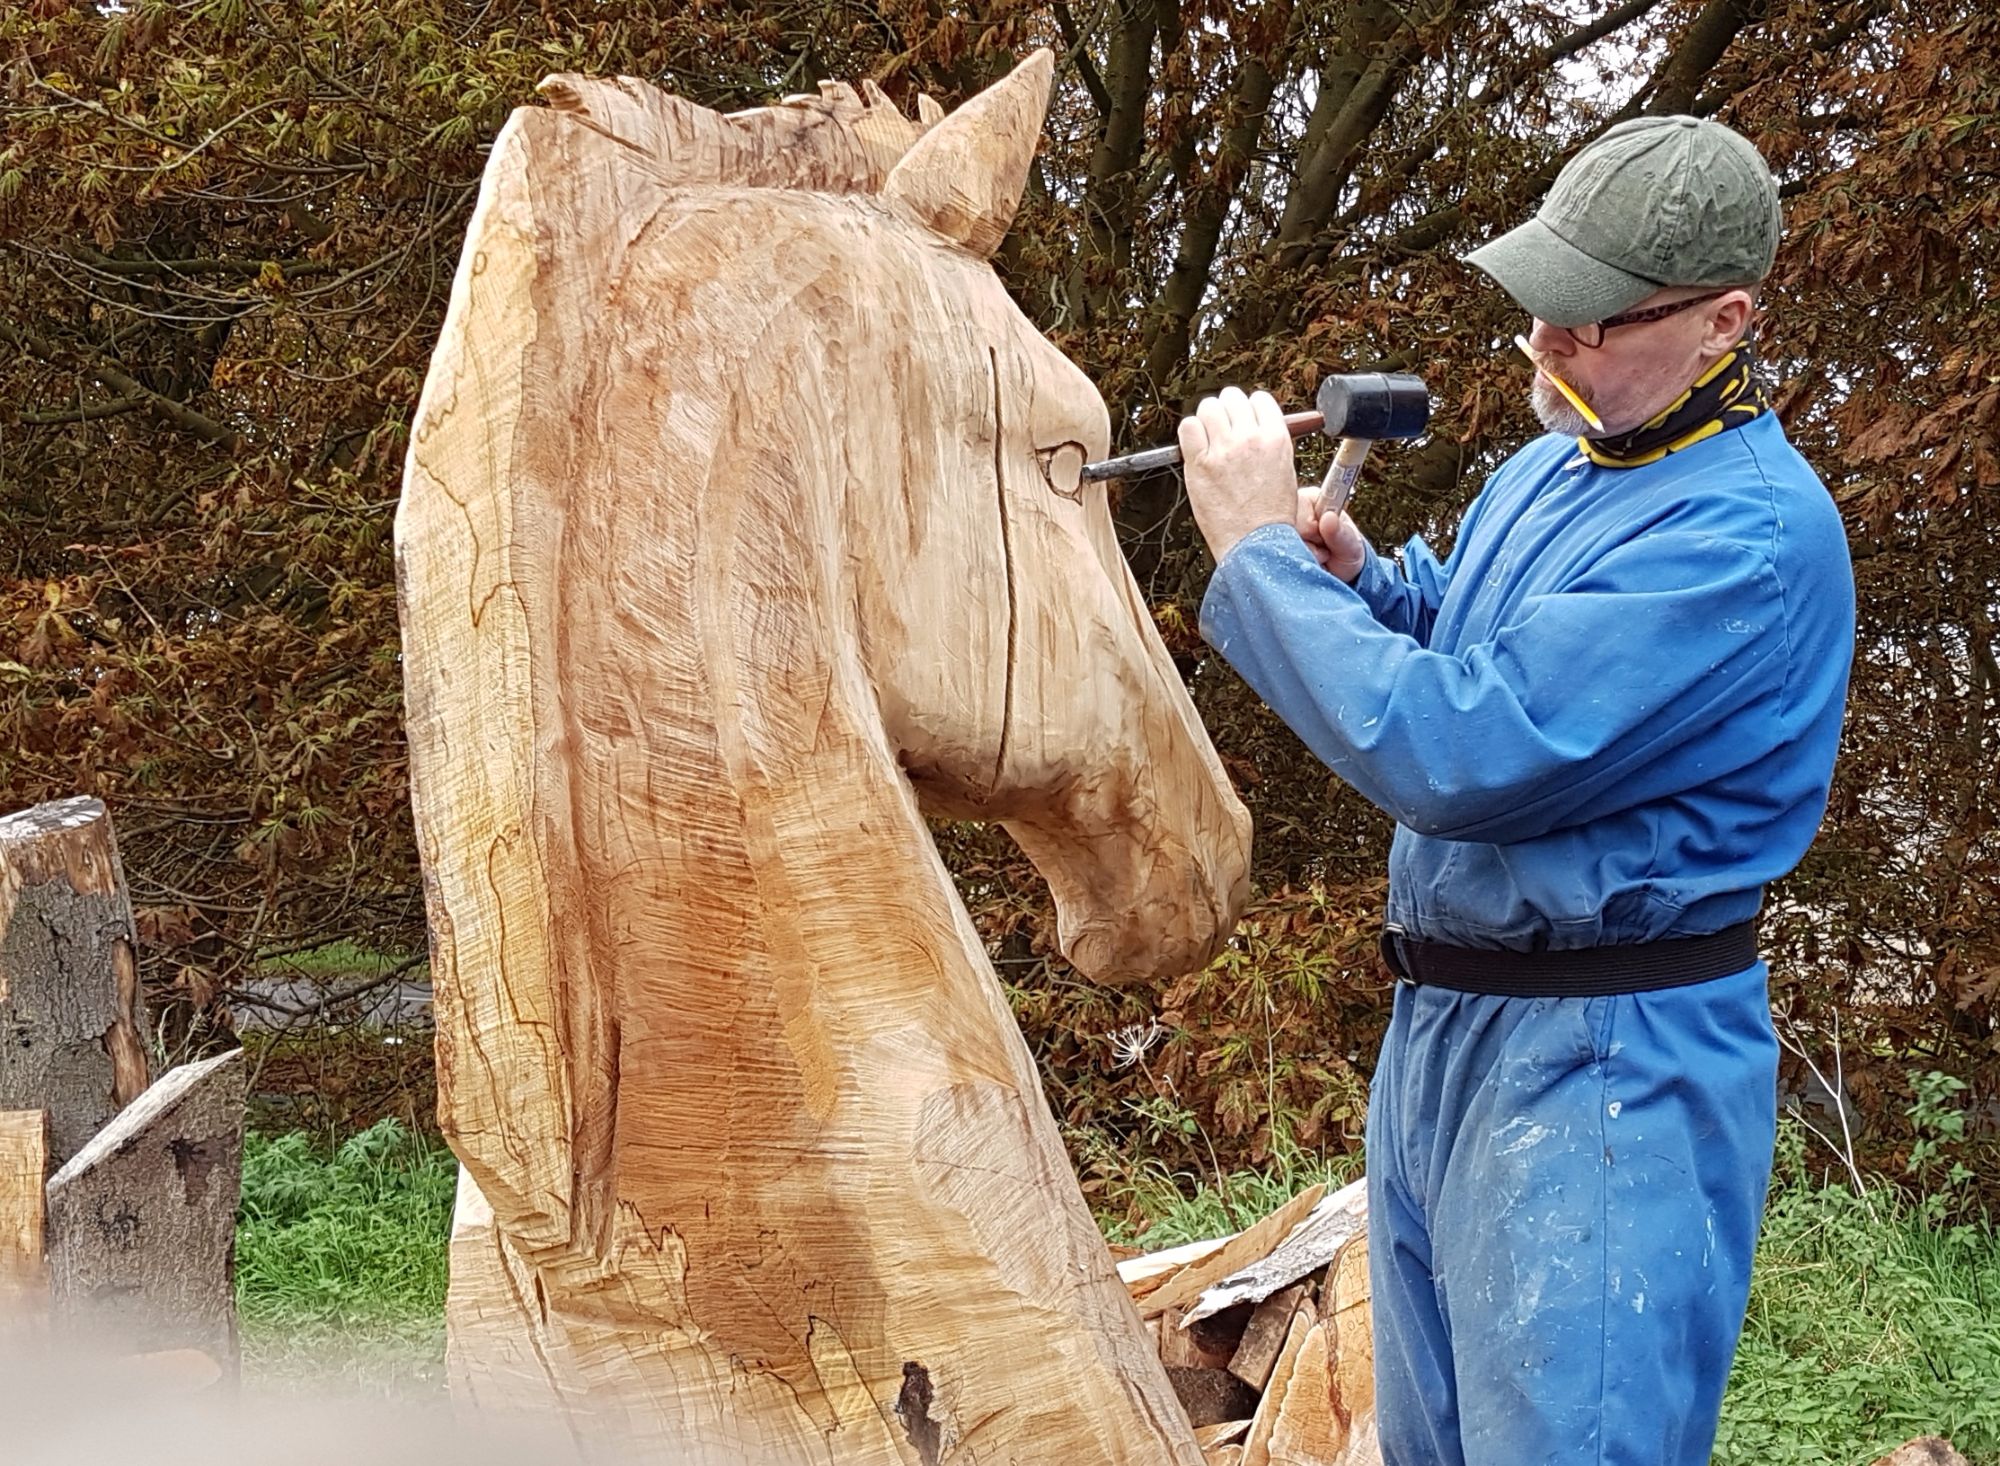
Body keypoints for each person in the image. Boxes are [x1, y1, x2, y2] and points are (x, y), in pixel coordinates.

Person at [1177, 116, 1855, 1465]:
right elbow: (1474, 639)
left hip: (1608, 1067)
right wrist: (1360, 584)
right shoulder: (1556, 468)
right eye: (1541, 302)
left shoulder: (1747, 538)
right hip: (1448, 1039)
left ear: (1724, 322)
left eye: (1592, 321)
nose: (1548, 343)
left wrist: (1253, 555)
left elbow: (1467, 750)